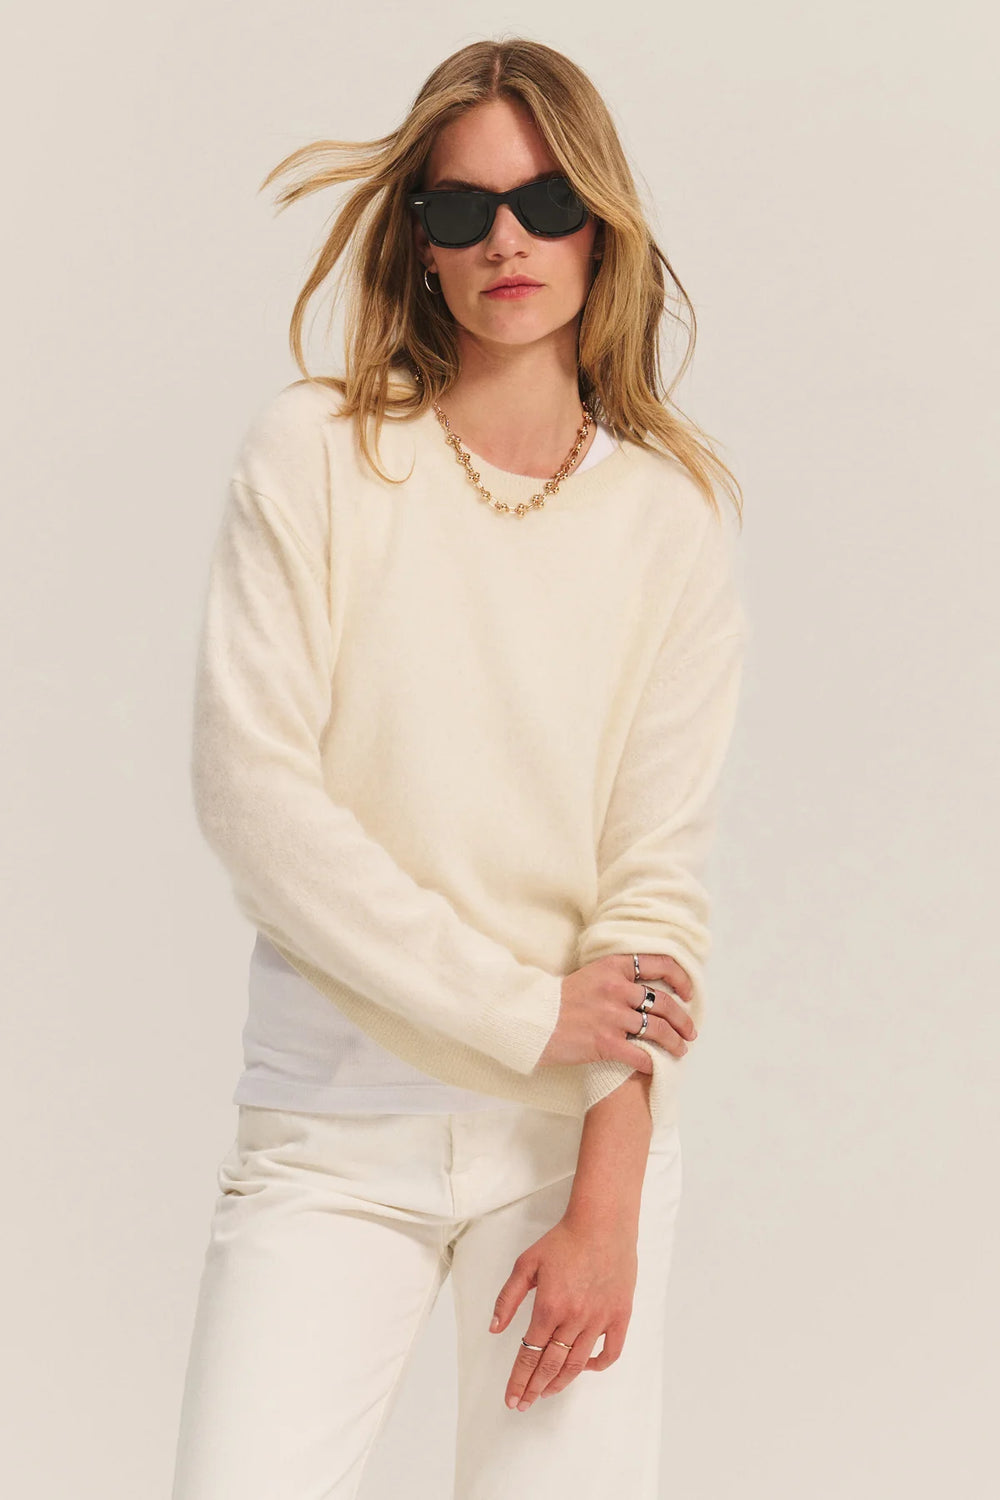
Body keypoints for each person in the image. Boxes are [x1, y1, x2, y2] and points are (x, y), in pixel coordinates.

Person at [171, 35, 748, 1500]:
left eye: (548, 203)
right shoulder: (315, 454)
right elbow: (254, 801)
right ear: (419, 241)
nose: (508, 241)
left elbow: (651, 893)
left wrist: (608, 1204)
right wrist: (520, 1008)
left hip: (565, 1150)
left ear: (600, 230)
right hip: (332, 1126)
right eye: (463, 208)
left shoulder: (669, 521)